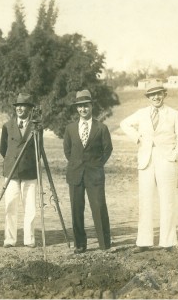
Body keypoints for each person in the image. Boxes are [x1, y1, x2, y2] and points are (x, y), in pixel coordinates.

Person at [120, 81, 178, 253]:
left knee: (168, 201)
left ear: (164, 95)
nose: (156, 97)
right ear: (148, 97)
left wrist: (175, 155)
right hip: (146, 160)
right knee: (145, 201)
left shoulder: (174, 114)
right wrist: (137, 138)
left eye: (159, 94)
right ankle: (143, 242)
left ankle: (169, 243)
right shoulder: (141, 113)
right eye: (152, 95)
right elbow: (124, 124)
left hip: (167, 160)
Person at [63, 89, 113, 254]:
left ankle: (104, 243)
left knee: (99, 207)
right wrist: (77, 163)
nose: (83, 109)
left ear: (91, 106)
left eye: (86, 106)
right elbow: (68, 151)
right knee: (77, 209)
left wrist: (96, 165)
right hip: (75, 174)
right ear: (77, 109)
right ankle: (80, 244)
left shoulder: (101, 128)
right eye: (80, 107)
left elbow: (107, 149)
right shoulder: (70, 128)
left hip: (95, 174)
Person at [0, 93, 41, 249]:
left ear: (29, 109)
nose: (20, 109)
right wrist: (13, 161)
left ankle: (29, 239)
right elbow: (3, 149)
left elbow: (39, 150)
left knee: (30, 207)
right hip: (11, 172)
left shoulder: (36, 127)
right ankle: (9, 239)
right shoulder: (7, 126)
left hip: (29, 172)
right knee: (10, 206)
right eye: (18, 106)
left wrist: (27, 162)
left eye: (23, 106)